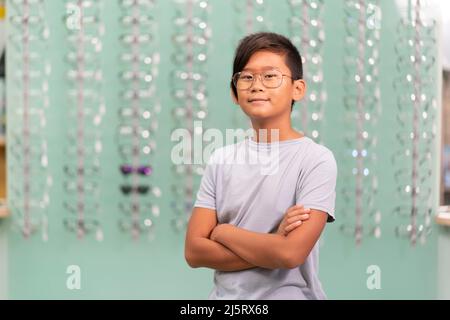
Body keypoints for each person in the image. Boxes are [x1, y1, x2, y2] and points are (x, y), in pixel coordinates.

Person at [185, 32, 337, 299]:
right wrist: (274, 244)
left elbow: (290, 254)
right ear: (234, 92)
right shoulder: (221, 160)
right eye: (246, 77)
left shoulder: (316, 160)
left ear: (297, 89)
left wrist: (223, 231)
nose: (257, 85)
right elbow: (194, 252)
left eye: (270, 76)